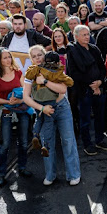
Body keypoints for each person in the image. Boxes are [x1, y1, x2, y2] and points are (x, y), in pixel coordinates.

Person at [22, 47, 81, 186]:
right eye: (34, 56)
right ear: (31, 59)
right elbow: (26, 97)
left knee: (68, 141)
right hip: (43, 111)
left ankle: (73, 174)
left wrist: (45, 81)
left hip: (61, 108)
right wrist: (42, 108)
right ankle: (50, 175)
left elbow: (63, 89)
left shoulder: (55, 68)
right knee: (46, 143)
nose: (38, 58)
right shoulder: (31, 73)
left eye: (40, 55)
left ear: (45, 55)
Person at [0, 48, 31, 186]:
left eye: (9, 57)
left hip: (22, 109)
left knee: (24, 141)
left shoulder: (18, 72)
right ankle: (1, 174)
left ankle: (22, 167)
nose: (8, 60)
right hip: (6, 111)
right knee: (5, 144)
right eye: (4, 58)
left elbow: (26, 92)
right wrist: (8, 102)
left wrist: (19, 101)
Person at [67, 25, 107, 156]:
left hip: (98, 88)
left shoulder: (94, 49)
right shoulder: (72, 51)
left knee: (100, 117)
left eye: (88, 34)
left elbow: (102, 68)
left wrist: (99, 83)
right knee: (85, 119)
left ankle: (99, 140)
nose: (87, 37)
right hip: (83, 90)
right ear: (76, 36)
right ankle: (87, 143)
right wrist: (92, 85)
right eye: (84, 35)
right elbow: (73, 73)